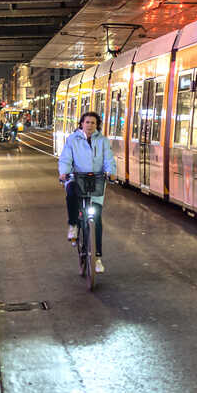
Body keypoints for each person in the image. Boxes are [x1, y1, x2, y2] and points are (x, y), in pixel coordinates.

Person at [58, 111, 115, 274]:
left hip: (95, 181)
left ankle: (97, 258)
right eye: (87, 122)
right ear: (81, 124)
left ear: (97, 126)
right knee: (70, 191)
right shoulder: (72, 140)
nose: (90, 125)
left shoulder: (103, 141)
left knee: (96, 219)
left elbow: (108, 159)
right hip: (76, 178)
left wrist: (110, 171)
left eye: (93, 123)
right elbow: (65, 158)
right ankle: (73, 225)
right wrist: (64, 172)